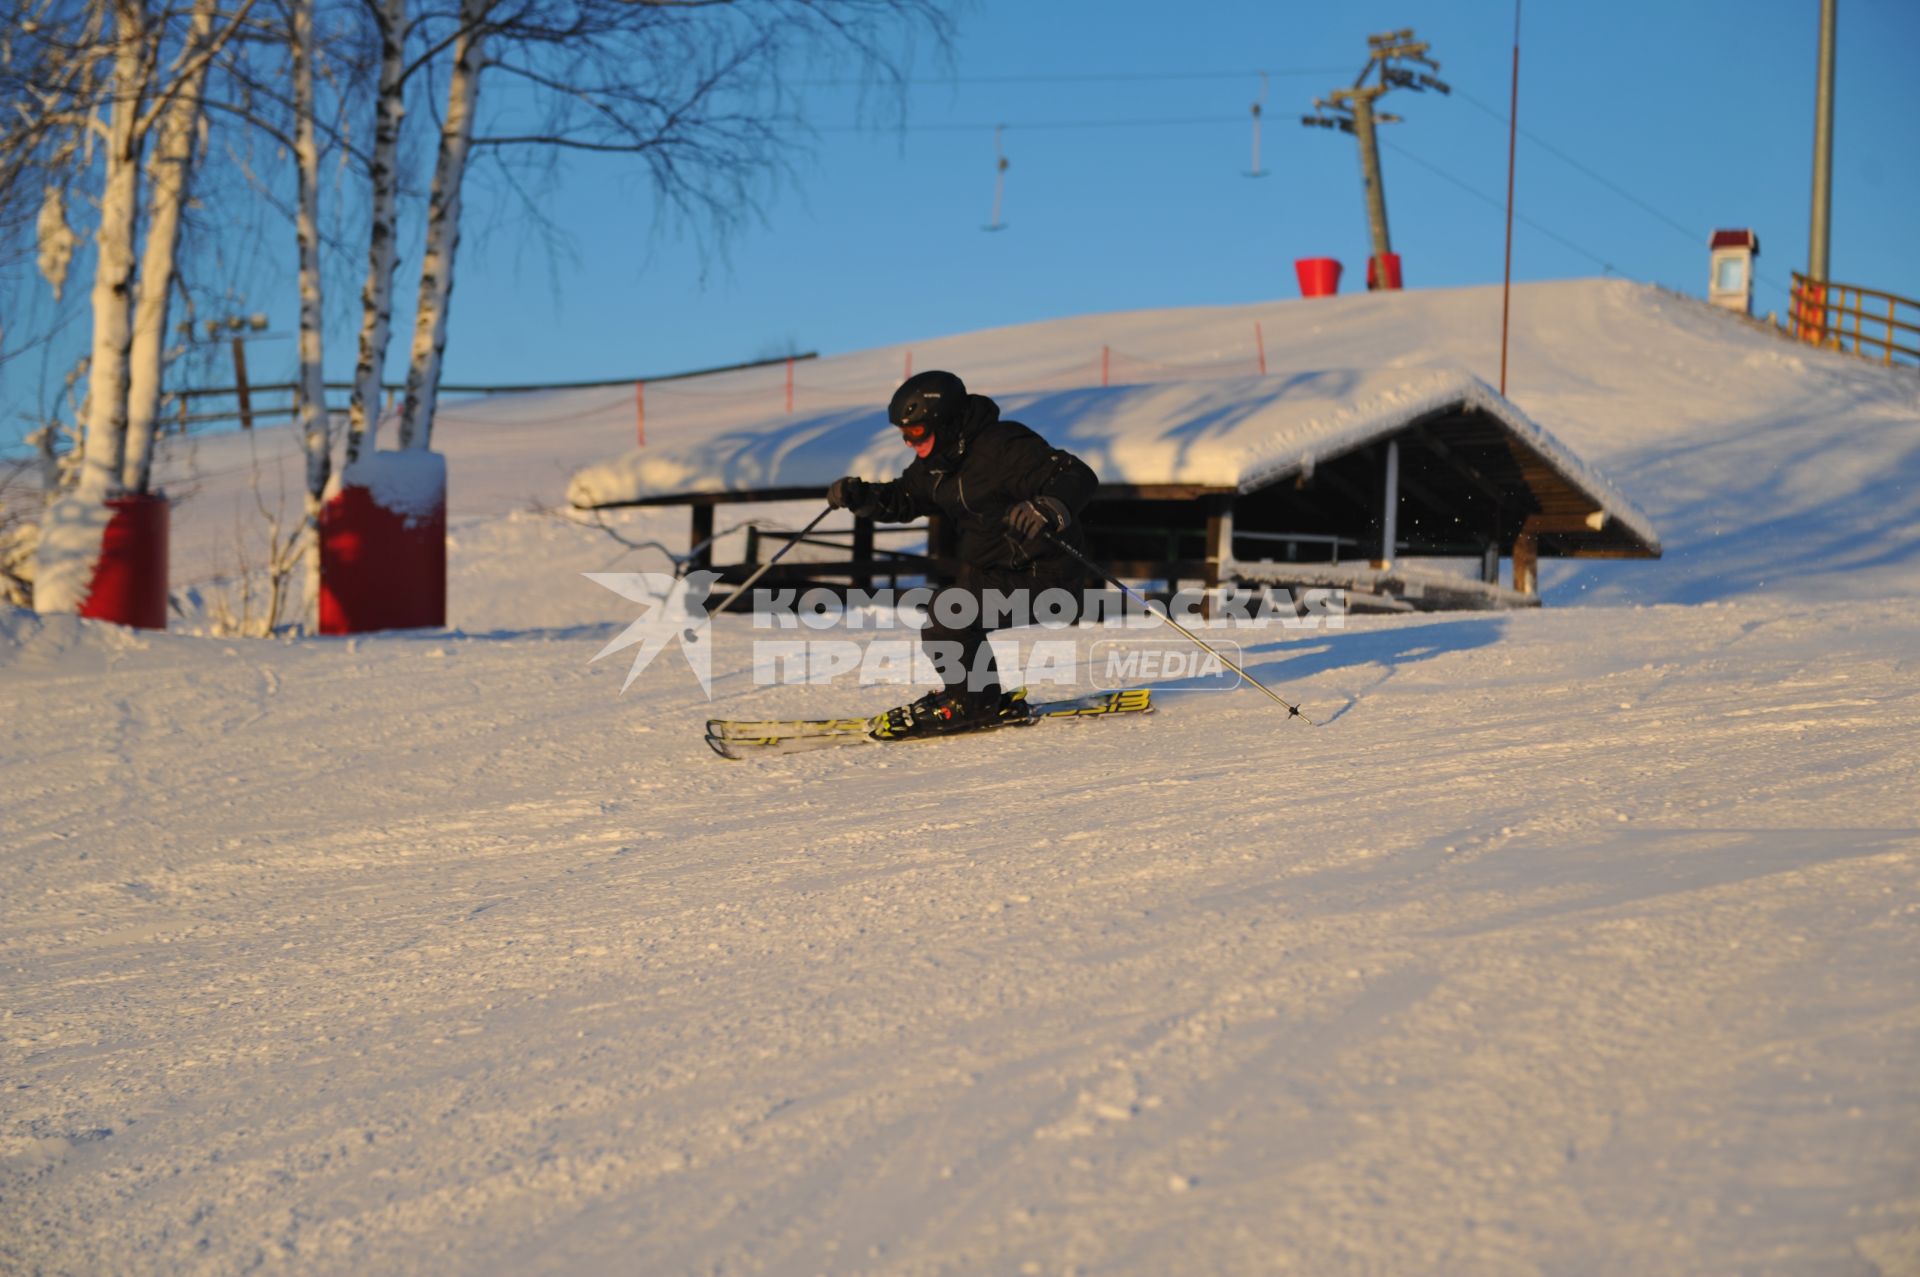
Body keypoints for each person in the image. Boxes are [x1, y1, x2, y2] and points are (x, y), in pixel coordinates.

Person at [827, 369, 1099, 738]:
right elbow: (905, 498)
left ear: (945, 419)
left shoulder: (1002, 446)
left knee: (950, 614)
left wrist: (1049, 506)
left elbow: (1075, 474)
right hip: (994, 572)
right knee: (947, 619)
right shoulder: (938, 463)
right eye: (903, 434)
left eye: (917, 431)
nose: (909, 442)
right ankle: (973, 696)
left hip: (1048, 575)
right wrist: (861, 497)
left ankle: (971, 703)